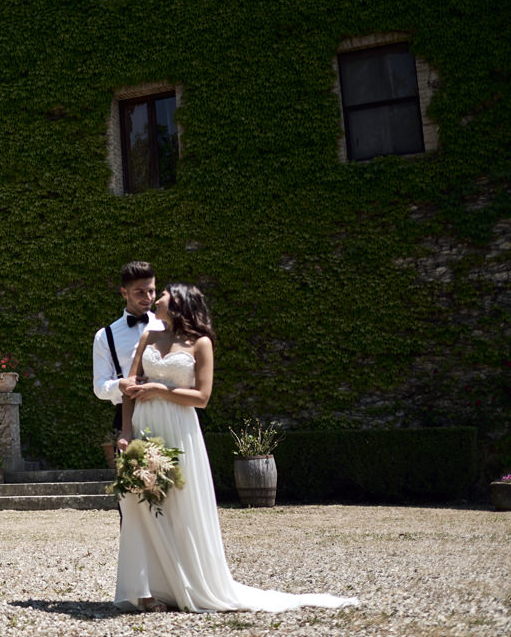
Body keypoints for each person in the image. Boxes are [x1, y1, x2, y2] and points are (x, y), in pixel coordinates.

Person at [115, 283, 359, 613]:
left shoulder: (201, 344)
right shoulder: (148, 336)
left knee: (179, 506)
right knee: (141, 504)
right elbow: (130, 389)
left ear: (180, 305)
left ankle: (187, 584)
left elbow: (202, 397)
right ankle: (146, 590)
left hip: (178, 428)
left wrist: (160, 388)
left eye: (163, 295)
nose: (156, 299)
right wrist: (126, 432)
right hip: (146, 426)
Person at [92, 261, 164, 447]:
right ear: (124, 292)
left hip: (168, 408)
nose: (148, 298)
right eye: (140, 292)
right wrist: (121, 385)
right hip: (128, 416)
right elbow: (99, 387)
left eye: (152, 291)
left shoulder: (167, 326)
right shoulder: (105, 336)